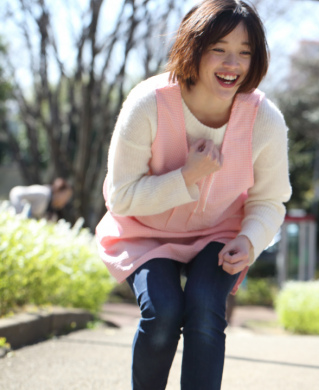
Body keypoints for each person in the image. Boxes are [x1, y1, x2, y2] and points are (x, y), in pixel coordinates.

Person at [94, 1, 291, 389]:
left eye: (245, 52)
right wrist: (188, 176)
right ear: (193, 47)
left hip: (219, 233)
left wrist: (249, 240)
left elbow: (269, 200)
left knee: (204, 307)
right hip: (144, 233)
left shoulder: (264, 118)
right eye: (219, 48)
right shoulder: (148, 103)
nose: (232, 63)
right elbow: (121, 196)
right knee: (163, 311)